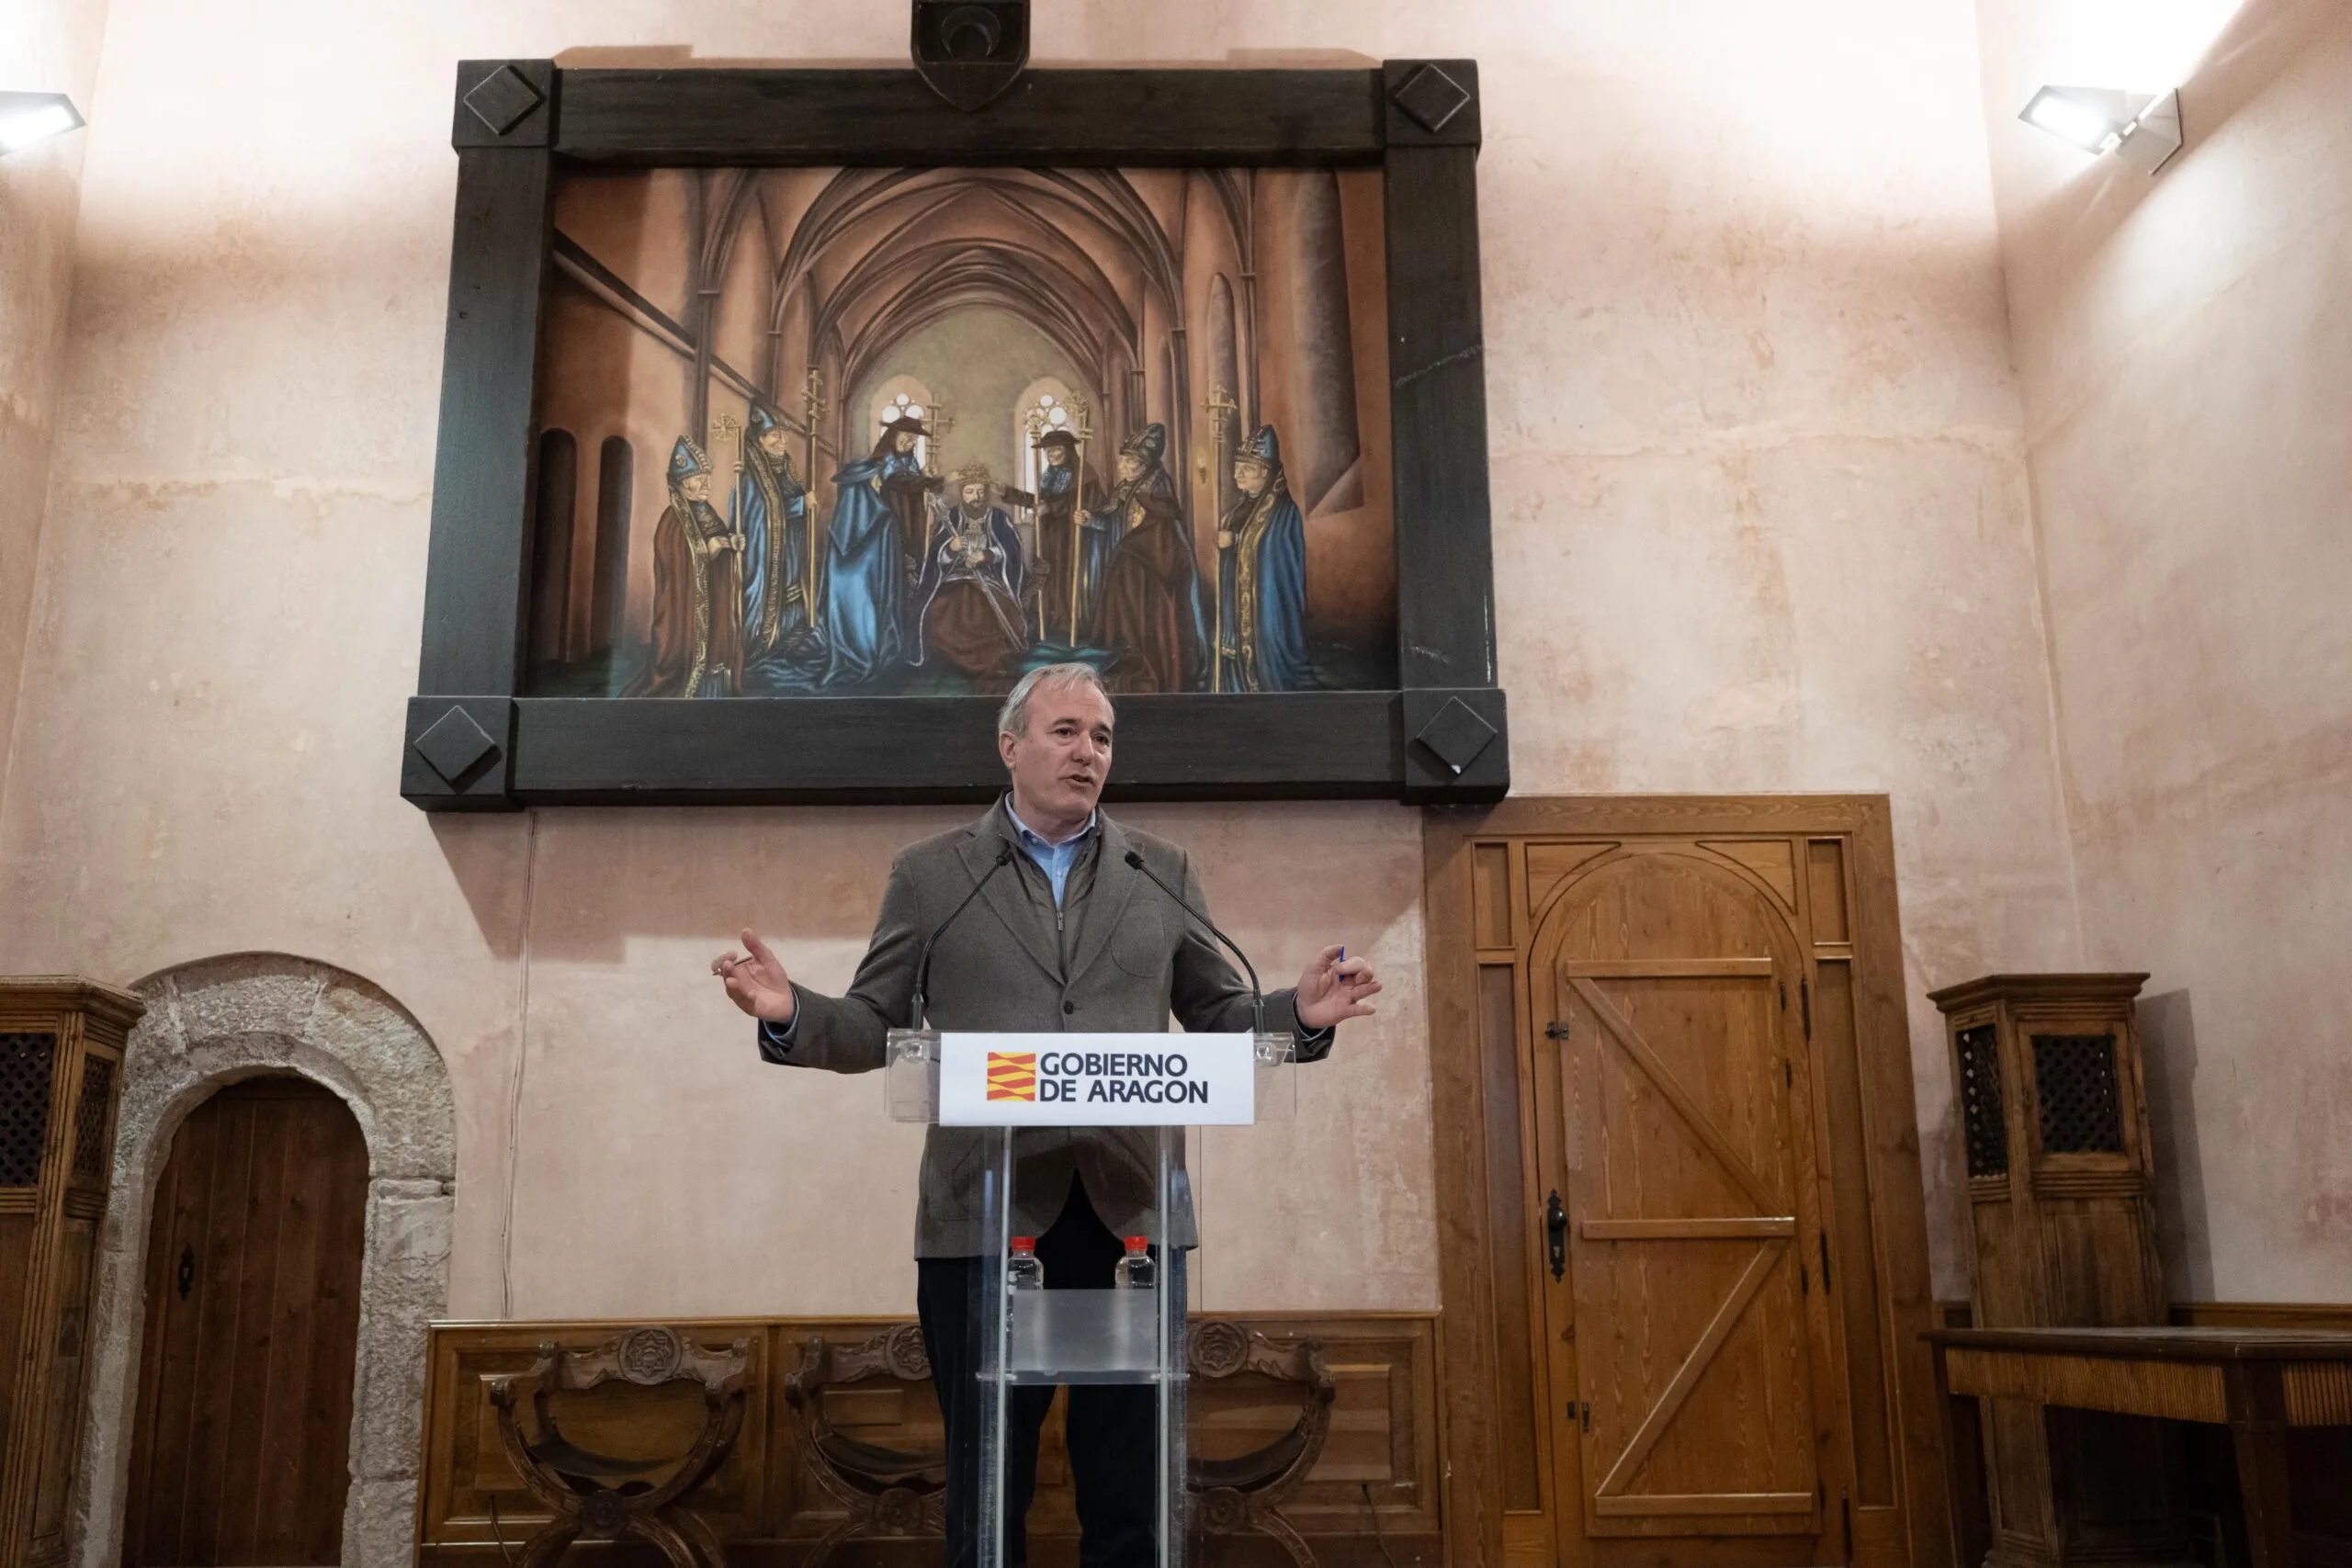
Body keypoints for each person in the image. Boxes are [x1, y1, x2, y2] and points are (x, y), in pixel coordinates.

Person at [708, 662, 1382, 1568]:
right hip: (981, 1220)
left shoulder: (1161, 870)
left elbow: (1221, 1020)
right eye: (1065, 731)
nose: (1087, 752)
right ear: (1011, 745)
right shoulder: (934, 876)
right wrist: (794, 1013)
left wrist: (1295, 1016)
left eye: (1101, 737)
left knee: (1130, 1474)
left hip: (1128, 1217)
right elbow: (875, 1025)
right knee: (988, 1476)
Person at [626, 437, 745, 699]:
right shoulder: (672, 520)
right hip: (684, 608)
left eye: (707, 477)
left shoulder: (706, 511)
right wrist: (708, 551)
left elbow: (719, 543)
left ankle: (714, 688)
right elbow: (674, 566)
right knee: (676, 660)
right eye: (698, 478)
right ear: (681, 483)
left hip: (714, 601)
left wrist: (731, 544)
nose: (707, 484)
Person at [1094, 424, 1207, 693]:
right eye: (1122, 460)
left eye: (1130, 462)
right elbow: (1112, 522)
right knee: (1126, 620)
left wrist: (1131, 548)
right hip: (1129, 565)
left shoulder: (1157, 493)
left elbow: (1160, 537)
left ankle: (1147, 664)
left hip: (1151, 574)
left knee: (1147, 624)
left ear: (1144, 465)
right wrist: (1091, 520)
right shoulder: (1126, 488)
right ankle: (1129, 657)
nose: (1123, 467)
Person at [1214, 424, 1314, 693]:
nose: (1238, 474)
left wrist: (1235, 541)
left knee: (1267, 656)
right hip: (1237, 600)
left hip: (1269, 607)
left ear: (1266, 472)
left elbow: (1278, 553)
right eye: (1237, 466)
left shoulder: (1284, 511)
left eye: (1247, 468)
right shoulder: (1239, 508)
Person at [913, 463, 1030, 684]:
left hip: (988, 579)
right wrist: (951, 549)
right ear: (962, 493)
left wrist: (987, 555)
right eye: (969, 491)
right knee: (944, 608)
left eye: (980, 491)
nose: (976, 496)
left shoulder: (998, 518)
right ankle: (951, 659)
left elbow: (1012, 551)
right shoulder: (951, 517)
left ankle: (987, 659)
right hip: (954, 579)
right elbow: (935, 557)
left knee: (985, 609)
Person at [818, 447, 905, 685]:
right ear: (866, 484)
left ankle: (843, 659)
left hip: (840, 594)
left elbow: (829, 570)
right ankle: (867, 659)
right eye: (876, 480)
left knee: (844, 613)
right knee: (868, 613)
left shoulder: (837, 522)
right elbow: (889, 572)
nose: (880, 485)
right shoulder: (884, 518)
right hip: (870, 595)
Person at [738, 404, 812, 658]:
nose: (783, 441)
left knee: (791, 587)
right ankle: (762, 641)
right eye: (775, 435)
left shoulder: (785, 464)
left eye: (784, 434)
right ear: (760, 439)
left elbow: (788, 494)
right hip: (764, 546)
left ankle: (788, 635)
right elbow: (761, 511)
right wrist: (801, 504)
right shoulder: (751, 472)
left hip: (789, 543)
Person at [1027, 428, 1100, 647]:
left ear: (1068, 451)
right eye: (1048, 450)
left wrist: (1051, 507)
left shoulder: (1083, 473)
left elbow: (1086, 503)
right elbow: (1042, 501)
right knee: (1048, 574)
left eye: (1057, 449)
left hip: (1071, 536)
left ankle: (1070, 623)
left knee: (1068, 576)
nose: (1051, 454)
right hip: (1050, 535)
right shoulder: (1049, 473)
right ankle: (1050, 620)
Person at [873, 412, 944, 588]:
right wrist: (934, 481)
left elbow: (915, 484)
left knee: (915, 557)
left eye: (914, 438)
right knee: (897, 560)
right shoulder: (884, 459)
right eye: (907, 436)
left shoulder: (909, 460)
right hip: (891, 516)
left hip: (912, 516)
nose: (910, 442)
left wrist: (924, 475)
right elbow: (901, 482)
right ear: (894, 435)